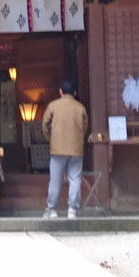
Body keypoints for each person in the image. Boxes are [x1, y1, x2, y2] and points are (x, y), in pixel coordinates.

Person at [42, 79, 89, 219]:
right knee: (75, 179)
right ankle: (72, 210)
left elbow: (45, 125)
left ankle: (52, 209)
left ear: (60, 92)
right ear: (74, 93)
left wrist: (50, 139)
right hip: (76, 149)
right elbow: (85, 127)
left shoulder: (53, 106)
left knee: (55, 180)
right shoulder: (80, 108)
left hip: (57, 149)